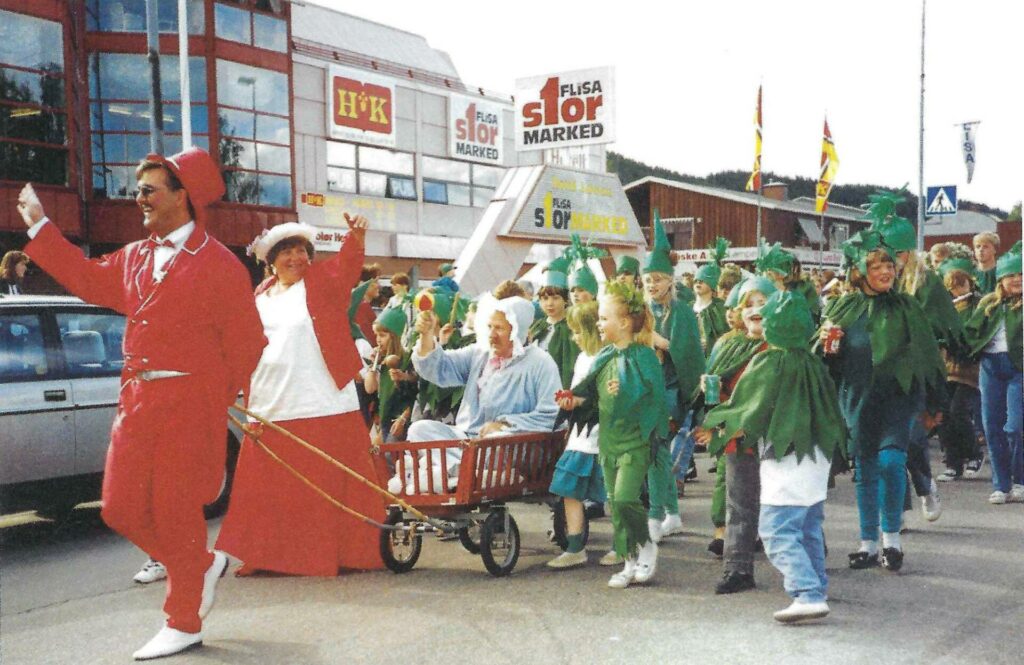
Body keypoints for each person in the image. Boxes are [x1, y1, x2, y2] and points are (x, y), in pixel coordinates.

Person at [16, 147, 267, 660]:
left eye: (150, 188)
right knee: (119, 507)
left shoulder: (220, 265)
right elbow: (87, 278)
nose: (140, 197)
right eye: (140, 188)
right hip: (136, 399)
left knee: (176, 511)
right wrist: (42, 229)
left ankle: (184, 618)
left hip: (188, 400)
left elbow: (247, 345)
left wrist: (214, 398)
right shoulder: (133, 255)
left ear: (184, 196)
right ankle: (198, 564)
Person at [216, 216, 386, 580]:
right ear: (270, 261)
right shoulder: (259, 295)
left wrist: (355, 238)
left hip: (320, 395)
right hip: (270, 398)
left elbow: (346, 267)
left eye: (301, 251)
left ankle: (338, 553)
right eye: (286, 252)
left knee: (326, 476)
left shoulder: (323, 282)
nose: (295, 258)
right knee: (271, 486)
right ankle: (267, 555)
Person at [702, 291, 844, 623]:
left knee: (776, 530)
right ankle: (817, 589)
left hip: (786, 458)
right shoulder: (812, 362)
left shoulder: (769, 362)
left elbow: (749, 409)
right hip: (815, 458)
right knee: (808, 528)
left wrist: (718, 429)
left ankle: (805, 591)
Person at [821, 230, 945, 573]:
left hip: (899, 397)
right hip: (858, 397)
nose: (886, 272)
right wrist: (828, 347)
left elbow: (928, 354)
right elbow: (825, 358)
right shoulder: (842, 307)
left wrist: (936, 402)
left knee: (891, 462)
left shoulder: (907, 306)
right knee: (866, 469)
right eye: (877, 267)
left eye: (889, 265)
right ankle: (868, 544)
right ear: (861, 272)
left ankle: (892, 539)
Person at [559, 282, 668, 588]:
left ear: (623, 323)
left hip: (636, 440)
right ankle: (629, 561)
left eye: (604, 318)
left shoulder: (645, 356)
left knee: (624, 499)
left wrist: (625, 392)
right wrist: (574, 401)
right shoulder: (604, 356)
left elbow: (654, 399)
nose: (599, 324)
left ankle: (646, 546)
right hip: (609, 441)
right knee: (613, 504)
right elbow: (592, 397)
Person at [404, 295, 560, 485]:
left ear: (517, 330)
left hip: (510, 445)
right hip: (469, 440)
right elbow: (439, 367)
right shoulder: (480, 353)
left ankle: (455, 472)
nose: (492, 334)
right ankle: (464, 472)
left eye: (500, 328)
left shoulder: (541, 363)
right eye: (490, 327)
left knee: (498, 440)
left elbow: (551, 414)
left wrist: (505, 424)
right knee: (420, 429)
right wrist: (427, 335)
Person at [699, 276, 776, 562]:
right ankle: (737, 564)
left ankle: (781, 543)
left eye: (762, 303)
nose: (755, 309)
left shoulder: (781, 347)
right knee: (738, 499)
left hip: (772, 433)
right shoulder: (731, 346)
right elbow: (719, 398)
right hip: (737, 435)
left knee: (773, 495)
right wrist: (713, 391)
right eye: (749, 304)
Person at [640, 214, 705, 549]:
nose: (651, 284)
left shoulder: (679, 311)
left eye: (657, 279)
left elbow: (682, 351)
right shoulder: (647, 308)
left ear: (669, 280)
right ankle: (673, 514)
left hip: (671, 390)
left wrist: (653, 339)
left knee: (655, 450)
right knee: (659, 454)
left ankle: (655, 516)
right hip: (649, 387)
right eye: (647, 279)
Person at [546, 301, 608, 569]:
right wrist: (568, 401)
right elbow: (578, 392)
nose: (574, 337)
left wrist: (579, 401)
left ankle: (623, 545)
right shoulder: (582, 359)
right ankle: (574, 546)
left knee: (614, 493)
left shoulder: (607, 357)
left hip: (603, 436)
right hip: (580, 437)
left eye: (578, 332)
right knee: (568, 489)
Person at [964, 241, 1023, 504]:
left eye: (1022, 275)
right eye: (1012, 275)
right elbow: (969, 334)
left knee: (1016, 427)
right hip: (990, 367)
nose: (1017, 279)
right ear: (1001, 279)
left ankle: (1020, 479)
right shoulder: (989, 304)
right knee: (992, 426)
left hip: (1018, 368)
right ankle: (1001, 484)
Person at [935, 258, 985, 481]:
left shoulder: (979, 304)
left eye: (961, 284)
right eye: (953, 286)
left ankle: (974, 453)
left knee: (958, 411)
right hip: (946, 367)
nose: (958, 290)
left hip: (969, 369)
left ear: (969, 283)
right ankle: (953, 463)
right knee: (943, 415)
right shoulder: (945, 306)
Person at [364, 307, 417, 445]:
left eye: (382, 335)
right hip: (385, 420)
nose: (378, 340)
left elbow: (416, 393)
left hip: (401, 420)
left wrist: (403, 419)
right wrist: (373, 366)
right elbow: (370, 388)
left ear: (393, 336)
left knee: (390, 458)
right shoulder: (381, 360)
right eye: (376, 335)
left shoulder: (407, 359)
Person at [528, 258, 579, 389]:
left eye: (556, 298)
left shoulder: (572, 328)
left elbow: (569, 370)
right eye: (544, 298)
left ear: (566, 300)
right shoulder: (537, 326)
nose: (549, 303)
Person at [692, 238, 730, 356]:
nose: (698, 283)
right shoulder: (686, 308)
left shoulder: (720, 308)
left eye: (702, 280)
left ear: (712, 284)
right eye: (696, 280)